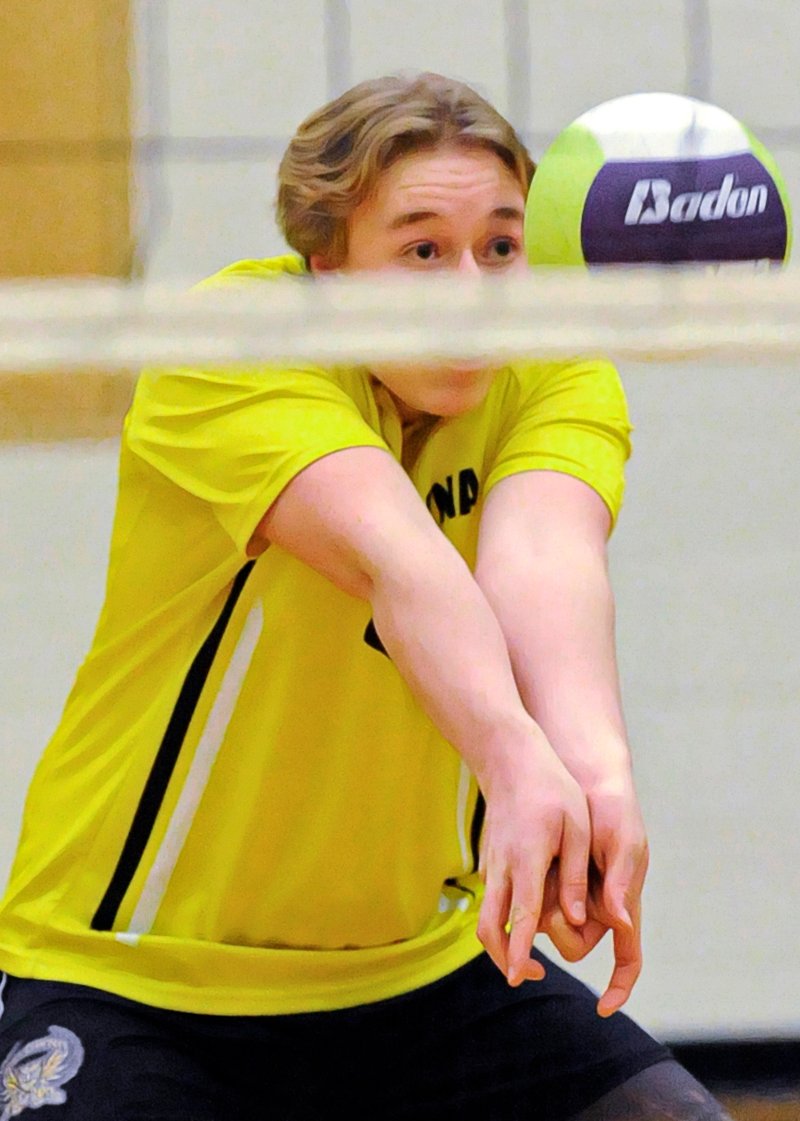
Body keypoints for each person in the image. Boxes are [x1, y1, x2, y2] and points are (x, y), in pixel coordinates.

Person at [0, 73, 734, 1120]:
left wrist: (598, 770)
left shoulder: (554, 368)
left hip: (419, 976)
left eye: (501, 246)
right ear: (328, 262)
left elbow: (542, 560)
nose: (470, 287)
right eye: (423, 250)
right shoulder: (235, 347)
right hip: (135, 978)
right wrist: (516, 755)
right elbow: (402, 563)